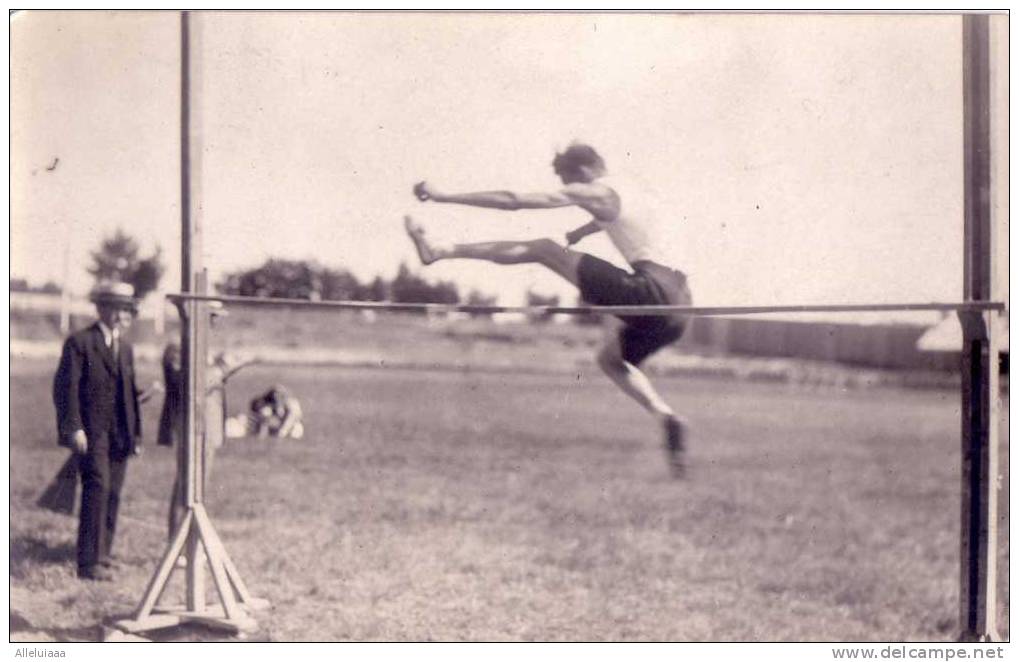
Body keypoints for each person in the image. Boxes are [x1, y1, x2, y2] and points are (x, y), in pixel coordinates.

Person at [405, 142, 692, 476]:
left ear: (582, 172)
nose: (570, 189)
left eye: (569, 181)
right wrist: (580, 232)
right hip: (680, 309)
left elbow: (514, 201)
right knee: (609, 359)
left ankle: (439, 250)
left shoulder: (598, 192)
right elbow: (618, 222)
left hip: (651, 292)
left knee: (542, 249)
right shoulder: (635, 189)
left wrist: (444, 196)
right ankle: (666, 416)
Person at [52, 281, 144, 580]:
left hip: (120, 434)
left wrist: (136, 435)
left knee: (114, 492)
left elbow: (129, 394)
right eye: (117, 309)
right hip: (92, 432)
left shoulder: (126, 348)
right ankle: (88, 562)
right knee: (97, 488)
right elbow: (65, 390)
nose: (122, 316)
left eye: (127, 310)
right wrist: (74, 428)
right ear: (101, 308)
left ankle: (104, 555)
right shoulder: (80, 342)